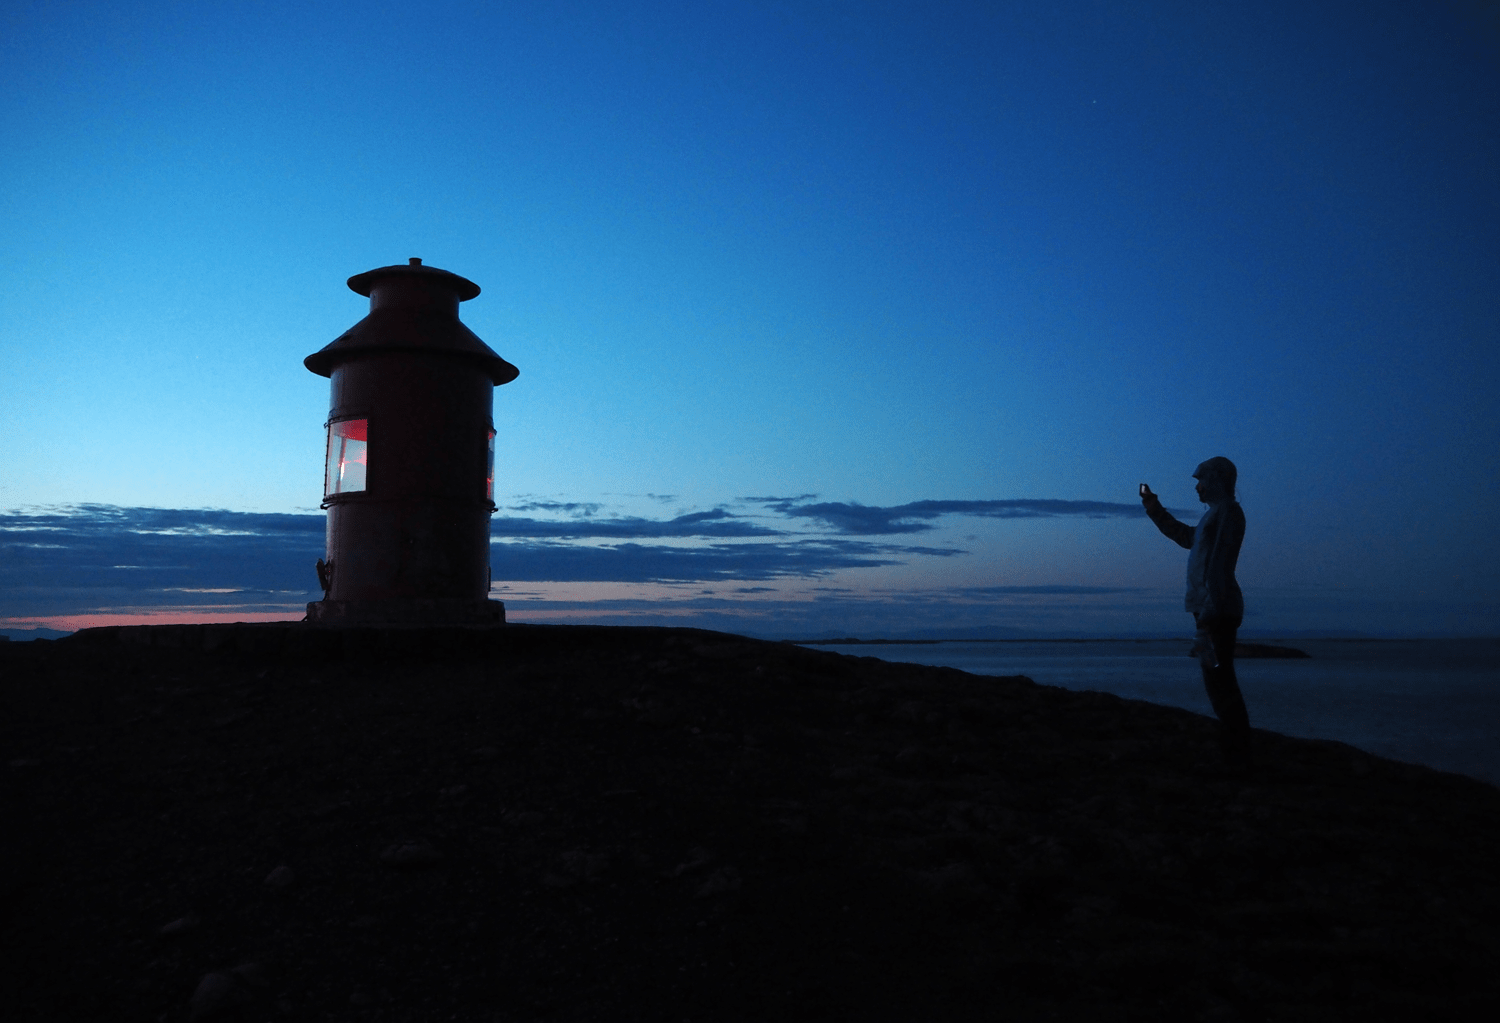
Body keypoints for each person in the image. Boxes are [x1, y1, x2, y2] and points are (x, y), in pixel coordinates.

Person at [1140, 457, 1251, 771]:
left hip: (1216, 610)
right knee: (1217, 681)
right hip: (1208, 609)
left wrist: (1208, 615)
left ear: (1216, 479)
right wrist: (1153, 507)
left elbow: (1218, 565)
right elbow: (1186, 538)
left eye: (1200, 480)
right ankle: (1235, 751)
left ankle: (1238, 756)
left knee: (1221, 682)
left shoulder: (1229, 512)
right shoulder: (1213, 517)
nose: (1197, 487)